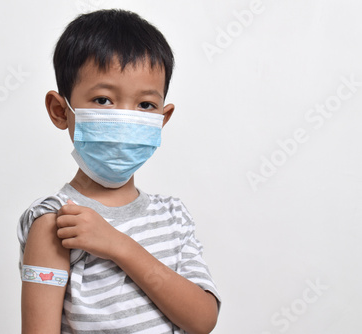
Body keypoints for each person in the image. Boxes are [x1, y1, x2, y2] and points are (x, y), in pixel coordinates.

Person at [17, 9, 221, 334]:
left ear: (162, 120)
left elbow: (202, 320)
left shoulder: (173, 216)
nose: (125, 118)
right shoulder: (56, 222)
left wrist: (118, 245)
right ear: (60, 111)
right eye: (103, 99)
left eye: (145, 106)